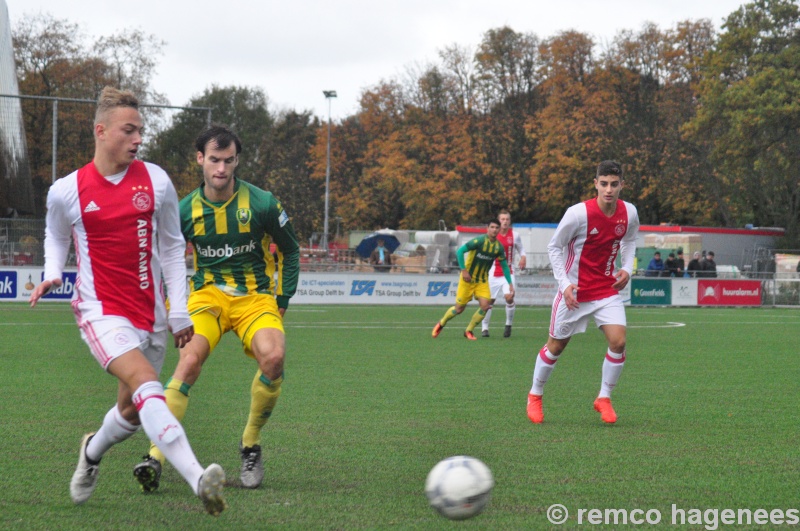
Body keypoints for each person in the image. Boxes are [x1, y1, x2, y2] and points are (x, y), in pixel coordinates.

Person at [29, 87, 226, 515]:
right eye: (129, 130)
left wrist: (177, 312)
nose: (138, 139)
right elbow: (55, 234)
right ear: (101, 131)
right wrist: (52, 273)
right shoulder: (67, 190)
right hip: (100, 310)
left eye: (141, 130)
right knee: (146, 385)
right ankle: (198, 479)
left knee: (132, 410)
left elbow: (174, 248)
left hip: (150, 313)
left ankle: (92, 451)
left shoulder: (156, 181)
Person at [133, 124, 300, 492]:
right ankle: (154, 458)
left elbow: (291, 248)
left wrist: (283, 298)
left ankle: (250, 444)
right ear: (200, 159)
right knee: (188, 362)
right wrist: (168, 307)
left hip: (255, 298)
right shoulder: (184, 210)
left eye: (228, 161)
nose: (221, 169)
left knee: (273, 359)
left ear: (236, 160)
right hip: (206, 297)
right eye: (214, 160)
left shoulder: (262, 203)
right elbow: (165, 259)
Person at [526, 160, 639, 424]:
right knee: (556, 346)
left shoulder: (629, 212)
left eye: (614, 184)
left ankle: (604, 397)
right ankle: (535, 394)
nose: (608, 190)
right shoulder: (578, 214)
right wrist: (564, 285)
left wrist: (627, 269)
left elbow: (630, 240)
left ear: (622, 185)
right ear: (595, 184)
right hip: (575, 293)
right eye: (603, 184)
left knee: (619, 341)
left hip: (606, 289)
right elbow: (554, 247)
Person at [432, 219, 514, 341]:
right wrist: (463, 270)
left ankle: (468, 330)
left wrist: (510, 282)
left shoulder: (498, 247)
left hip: (482, 281)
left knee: (486, 305)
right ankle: (441, 323)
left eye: (497, 227)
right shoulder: (479, 241)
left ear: (499, 229)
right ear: (487, 228)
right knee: (459, 309)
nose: (494, 229)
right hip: (467, 280)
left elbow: (504, 266)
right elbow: (460, 251)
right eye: (492, 227)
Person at [480, 210, 526, 338]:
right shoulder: (491, 235)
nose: (505, 221)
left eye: (507, 219)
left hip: (508, 271)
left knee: (509, 297)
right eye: (502, 219)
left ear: (509, 221)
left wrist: (523, 257)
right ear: (498, 221)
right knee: (489, 301)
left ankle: (508, 324)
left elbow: (521, 249)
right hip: (493, 272)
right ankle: (484, 328)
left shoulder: (515, 235)